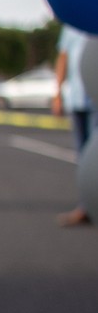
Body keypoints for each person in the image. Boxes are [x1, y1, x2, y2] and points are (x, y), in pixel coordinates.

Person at [51, 24, 96, 226]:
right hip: (77, 98)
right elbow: (63, 57)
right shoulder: (71, 26)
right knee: (83, 157)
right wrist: (58, 93)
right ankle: (86, 206)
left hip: (96, 99)